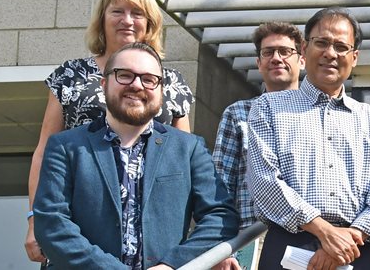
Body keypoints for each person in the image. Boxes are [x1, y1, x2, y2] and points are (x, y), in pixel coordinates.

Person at [26, 0, 196, 263]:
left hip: (152, 234)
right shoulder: (71, 75)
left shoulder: (172, 82)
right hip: (80, 219)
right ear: (102, 19)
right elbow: (44, 150)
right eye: (117, 11)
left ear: (150, 23)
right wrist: (35, 220)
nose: (127, 20)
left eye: (137, 13)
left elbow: (184, 162)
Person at [33, 43, 237, 269]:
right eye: (125, 75)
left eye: (149, 79)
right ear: (104, 83)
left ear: (160, 89)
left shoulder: (189, 148)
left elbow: (221, 216)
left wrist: (173, 264)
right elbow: (51, 223)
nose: (137, 85)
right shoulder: (65, 146)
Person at [245, 7, 370, 270]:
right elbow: (265, 182)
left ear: (355, 57)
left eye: (341, 46)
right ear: (304, 49)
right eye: (322, 43)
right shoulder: (269, 107)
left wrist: (347, 239)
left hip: (358, 249)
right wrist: (324, 231)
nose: (331, 53)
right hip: (290, 245)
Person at [211, 22, 304, 269]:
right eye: (268, 52)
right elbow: (220, 188)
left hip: (306, 241)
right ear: (258, 62)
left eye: (285, 51)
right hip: (252, 242)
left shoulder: (316, 116)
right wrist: (221, 249)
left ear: (301, 60)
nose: (276, 58)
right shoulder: (238, 114)